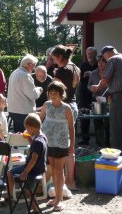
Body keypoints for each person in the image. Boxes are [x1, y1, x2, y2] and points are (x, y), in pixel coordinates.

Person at [91, 46, 122, 166]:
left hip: (120, 98)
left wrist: (97, 87)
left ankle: (116, 162)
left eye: (104, 57)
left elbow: (105, 79)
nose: (105, 60)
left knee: (116, 131)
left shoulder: (113, 59)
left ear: (108, 53)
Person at [40, 81, 75, 212]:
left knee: (59, 169)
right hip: (48, 142)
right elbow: (39, 120)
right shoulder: (46, 105)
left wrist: (72, 145)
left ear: (62, 94)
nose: (53, 95)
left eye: (56, 93)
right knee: (53, 169)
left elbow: (71, 128)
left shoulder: (67, 108)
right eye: (51, 93)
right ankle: (56, 197)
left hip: (61, 142)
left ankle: (60, 200)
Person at [51, 45, 80, 190]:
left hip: (64, 107)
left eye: (54, 57)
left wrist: (55, 77)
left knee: (64, 145)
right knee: (69, 144)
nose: (53, 59)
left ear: (60, 57)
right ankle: (70, 181)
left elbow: (54, 91)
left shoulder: (62, 71)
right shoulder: (75, 67)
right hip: (74, 105)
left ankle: (68, 181)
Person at [7, 113, 47, 213]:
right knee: (10, 173)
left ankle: (35, 209)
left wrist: (25, 172)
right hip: (39, 167)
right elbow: (36, 149)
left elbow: (34, 158)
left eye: (27, 129)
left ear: (31, 127)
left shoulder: (38, 141)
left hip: (33, 169)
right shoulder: (42, 137)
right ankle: (11, 195)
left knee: (28, 191)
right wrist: (29, 138)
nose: (27, 131)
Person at [7, 54, 42, 133]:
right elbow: (33, 95)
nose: (34, 68)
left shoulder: (15, 73)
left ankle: (17, 145)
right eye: (34, 65)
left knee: (18, 134)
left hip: (14, 110)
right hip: (23, 111)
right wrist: (39, 89)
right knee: (25, 136)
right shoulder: (25, 75)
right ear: (29, 65)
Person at [78, 47, 98, 145]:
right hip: (84, 95)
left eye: (91, 53)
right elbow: (78, 80)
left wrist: (93, 74)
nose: (89, 55)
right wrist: (83, 76)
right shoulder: (83, 65)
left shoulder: (99, 65)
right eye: (88, 53)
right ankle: (85, 139)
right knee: (84, 117)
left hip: (97, 95)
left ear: (95, 54)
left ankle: (99, 139)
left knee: (98, 117)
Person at [88, 55, 109, 147]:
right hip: (96, 99)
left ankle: (108, 142)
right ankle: (98, 143)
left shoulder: (110, 73)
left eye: (102, 62)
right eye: (98, 62)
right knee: (97, 122)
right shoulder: (93, 73)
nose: (100, 64)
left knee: (109, 122)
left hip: (109, 99)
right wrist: (91, 89)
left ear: (107, 63)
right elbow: (88, 85)